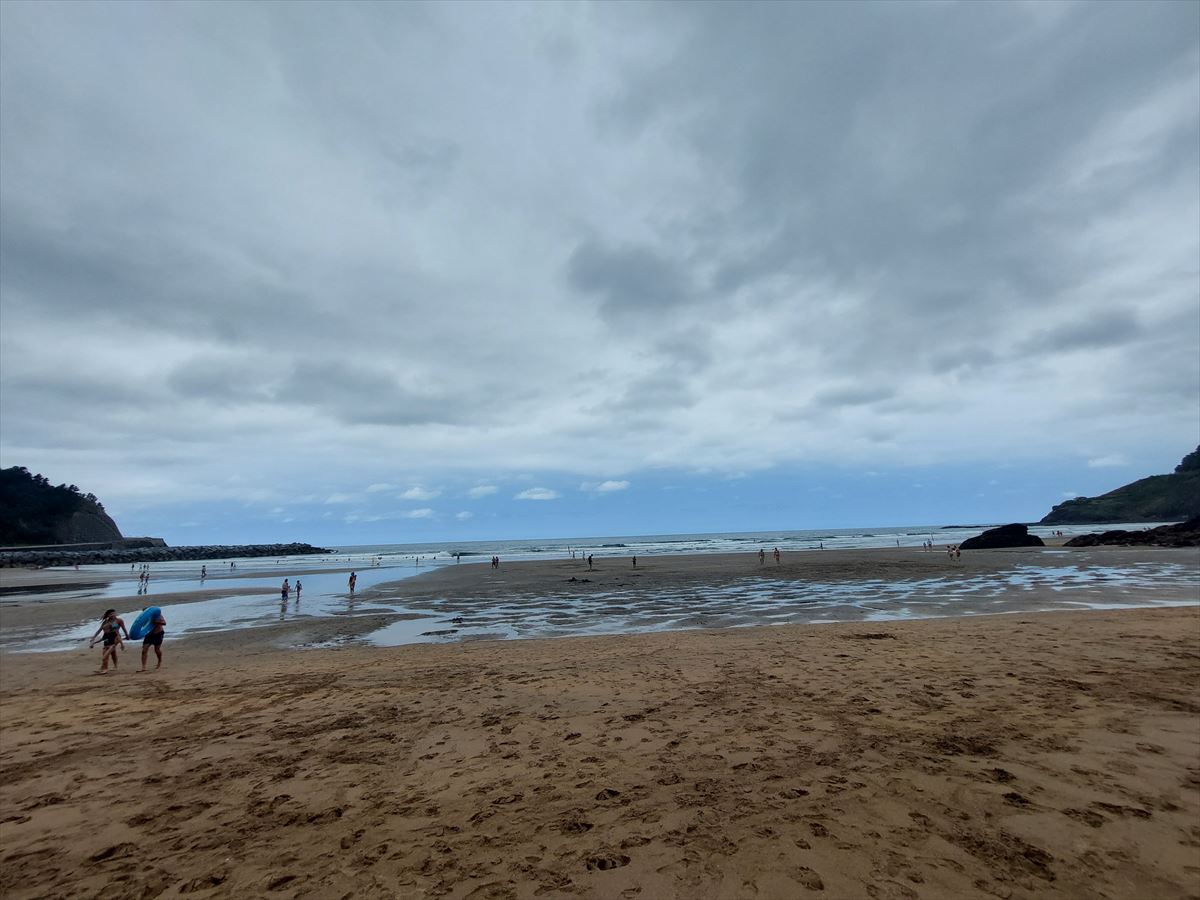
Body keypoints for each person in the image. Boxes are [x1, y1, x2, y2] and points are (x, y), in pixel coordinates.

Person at [90, 609, 128, 674]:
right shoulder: (105, 622)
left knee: (106, 655)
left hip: (115, 638)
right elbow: (99, 630)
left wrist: (126, 637)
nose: (113, 615)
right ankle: (105, 668)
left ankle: (105, 669)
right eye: (111, 614)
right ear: (108, 615)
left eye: (114, 613)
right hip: (106, 638)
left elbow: (123, 629)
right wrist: (93, 638)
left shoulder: (119, 621)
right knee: (112, 653)